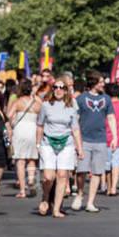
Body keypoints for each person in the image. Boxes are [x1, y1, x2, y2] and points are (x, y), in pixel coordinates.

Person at [36, 77, 82, 218]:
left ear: (66, 90)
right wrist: (37, 144)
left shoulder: (71, 107)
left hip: (66, 143)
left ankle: (56, 208)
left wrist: (79, 148)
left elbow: (75, 129)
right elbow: (40, 126)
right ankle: (45, 197)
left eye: (62, 87)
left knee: (62, 175)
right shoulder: (45, 105)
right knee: (48, 177)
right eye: (56, 87)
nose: (58, 90)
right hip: (48, 142)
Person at [73, 71, 112, 213]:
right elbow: (75, 119)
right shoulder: (81, 99)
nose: (103, 84)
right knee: (81, 171)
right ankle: (80, 194)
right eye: (101, 81)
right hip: (84, 139)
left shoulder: (106, 99)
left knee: (97, 172)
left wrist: (113, 136)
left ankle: (90, 202)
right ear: (93, 82)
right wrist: (75, 139)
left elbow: (111, 118)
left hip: (100, 140)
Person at [8, 79, 42, 199]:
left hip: (20, 131)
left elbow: (9, 116)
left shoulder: (17, 102)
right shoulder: (37, 103)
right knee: (32, 158)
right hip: (33, 130)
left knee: (20, 161)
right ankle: (31, 179)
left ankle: (22, 190)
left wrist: (11, 127)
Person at [106, 84, 119, 197]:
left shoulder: (106, 105)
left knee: (107, 164)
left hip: (105, 138)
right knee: (116, 163)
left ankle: (108, 186)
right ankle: (113, 187)